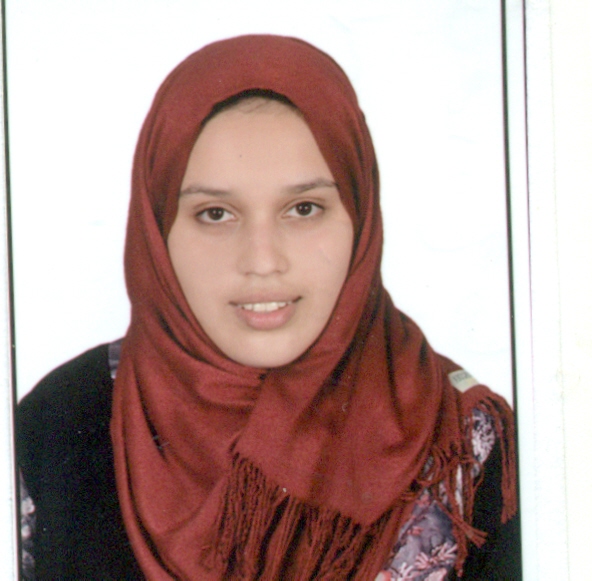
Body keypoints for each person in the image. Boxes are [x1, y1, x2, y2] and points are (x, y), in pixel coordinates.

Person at [16, 35, 520, 580]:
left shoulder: (460, 439)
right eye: (215, 214)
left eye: (303, 208)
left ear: (359, 213)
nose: (262, 261)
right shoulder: (61, 421)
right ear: (157, 229)